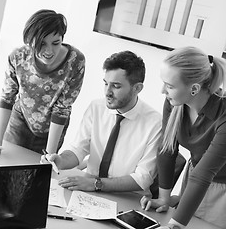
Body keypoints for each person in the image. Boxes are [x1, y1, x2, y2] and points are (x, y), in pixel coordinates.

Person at [42, 51, 161, 194]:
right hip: (89, 190)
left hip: (128, 196)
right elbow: (78, 149)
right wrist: (61, 161)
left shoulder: (155, 123)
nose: (107, 92)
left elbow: (143, 178)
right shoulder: (96, 107)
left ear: (137, 88)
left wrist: (96, 184)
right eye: (106, 84)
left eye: (116, 86)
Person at [140, 46, 226, 229]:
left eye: (169, 86)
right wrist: (163, 197)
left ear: (194, 89)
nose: (162, 90)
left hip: (221, 189)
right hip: (195, 178)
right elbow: (167, 149)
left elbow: (204, 174)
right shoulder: (175, 102)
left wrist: (174, 225)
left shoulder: (223, 115)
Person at [0, 9, 85, 154]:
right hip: (19, 121)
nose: (49, 51)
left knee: (37, 172)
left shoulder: (75, 61)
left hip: (52, 130)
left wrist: (49, 155)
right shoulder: (18, 57)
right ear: (30, 40)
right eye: (42, 44)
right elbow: (7, 98)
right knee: (3, 169)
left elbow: (62, 109)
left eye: (56, 43)